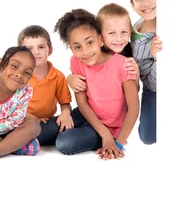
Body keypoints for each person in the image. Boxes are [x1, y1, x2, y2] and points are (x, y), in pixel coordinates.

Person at [53, 9, 139, 159]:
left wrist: (116, 143)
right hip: (87, 114)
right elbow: (82, 103)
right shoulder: (76, 61)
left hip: (111, 126)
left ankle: (92, 135)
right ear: (71, 49)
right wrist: (103, 134)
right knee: (44, 130)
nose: (85, 52)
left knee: (64, 143)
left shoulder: (123, 64)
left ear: (100, 40)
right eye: (77, 47)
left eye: (90, 42)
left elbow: (133, 108)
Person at [18, 25, 85, 146]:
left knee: (63, 123)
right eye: (29, 49)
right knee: (27, 130)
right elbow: (11, 107)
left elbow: (65, 103)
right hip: (22, 122)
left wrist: (65, 113)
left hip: (47, 122)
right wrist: (32, 118)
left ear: (50, 50)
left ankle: (31, 141)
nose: (36, 52)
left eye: (41, 47)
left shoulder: (58, 76)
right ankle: (24, 142)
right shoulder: (19, 76)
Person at [67, 3, 141, 92]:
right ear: (100, 35)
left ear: (130, 32)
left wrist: (136, 74)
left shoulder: (130, 53)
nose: (119, 38)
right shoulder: (95, 52)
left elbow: (135, 90)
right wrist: (69, 78)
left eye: (124, 32)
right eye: (111, 33)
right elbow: (81, 67)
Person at [128, 0, 162, 144]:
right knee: (148, 137)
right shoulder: (136, 39)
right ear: (132, 4)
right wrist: (157, 60)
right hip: (154, 88)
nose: (146, 2)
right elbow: (151, 83)